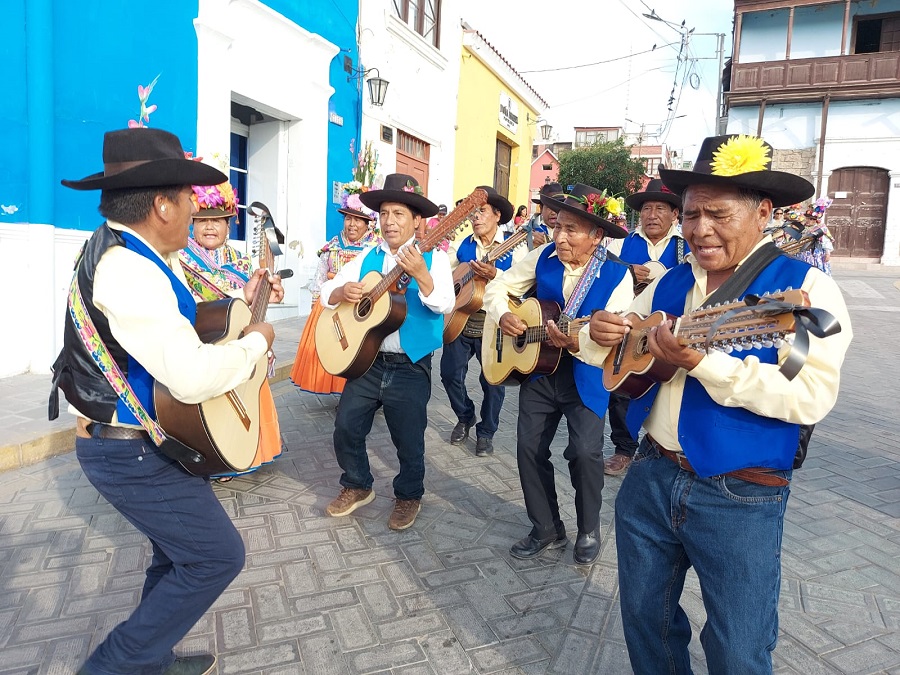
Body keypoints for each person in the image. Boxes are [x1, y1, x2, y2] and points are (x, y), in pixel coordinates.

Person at [582, 134, 853, 673]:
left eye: (717, 214)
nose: (699, 229)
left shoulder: (805, 290)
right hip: (651, 474)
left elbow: (808, 395)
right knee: (646, 623)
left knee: (738, 646)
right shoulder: (669, 282)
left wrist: (702, 362)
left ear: (764, 213)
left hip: (741, 492)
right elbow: (608, 345)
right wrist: (600, 331)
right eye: (691, 214)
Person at [50, 128, 284, 675]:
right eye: (187, 198)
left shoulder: (135, 250)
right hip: (129, 449)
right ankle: (114, 666)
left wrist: (241, 307)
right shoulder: (127, 268)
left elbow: (182, 327)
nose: (193, 209)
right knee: (216, 557)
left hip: (155, 438)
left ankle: (151, 661)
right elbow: (190, 376)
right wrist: (257, 342)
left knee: (176, 553)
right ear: (161, 204)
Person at [482, 183, 634, 565]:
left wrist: (577, 343)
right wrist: (504, 315)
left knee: (584, 452)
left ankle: (588, 528)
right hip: (539, 370)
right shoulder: (541, 256)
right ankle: (546, 527)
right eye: (558, 227)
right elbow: (498, 286)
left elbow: (618, 339)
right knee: (528, 449)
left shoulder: (619, 276)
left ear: (596, 235)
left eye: (571, 230)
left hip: (586, 373)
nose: (560, 237)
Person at [320, 174, 455, 530]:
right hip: (367, 362)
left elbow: (444, 302)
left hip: (410, 364)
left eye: (398, 213)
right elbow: (327, 291)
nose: (389, 221)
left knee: (408, 438)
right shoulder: (367, 255)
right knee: (346, 426)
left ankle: (409, 495)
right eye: (384, 213)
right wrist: (341, 292)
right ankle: (357, 484)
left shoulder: (435, 258)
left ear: (416, 221)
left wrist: (421, 274)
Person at [180, 181, 283, 482]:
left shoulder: (242, 260)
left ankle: (247, 450)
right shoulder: (180, 256)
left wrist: (265, 295)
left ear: (229, 226)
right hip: (200, 341)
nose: (209, 227)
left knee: (245, 392)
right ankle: (214, 454)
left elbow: (249, 305)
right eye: (202, 221)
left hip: (236, 339)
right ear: (192, 223)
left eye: (217, 221)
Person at [601, 178, 688, 477]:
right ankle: (624, 449)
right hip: (632, 328)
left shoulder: (685, 246)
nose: (652, 215)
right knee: (624, 387)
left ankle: (665, 449)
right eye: (647, 208)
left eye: (660, 208)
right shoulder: (621, 243)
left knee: (671, 388)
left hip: (673, 331)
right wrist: (626, 269)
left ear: (675, 214)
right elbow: (599, 265)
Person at [441, 185, 522, 457]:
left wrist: (496, 273)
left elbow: (523, 287)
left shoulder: (515, 244)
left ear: (497, 215)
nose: (475, 217)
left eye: (482, 211)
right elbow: (444, 274)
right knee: (449, 374)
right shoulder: (462, 244)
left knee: (493, 383)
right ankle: (465, 416)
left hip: (495, 322)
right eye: (472, 213)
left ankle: (486, 432)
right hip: (461, 320)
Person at [290, 190, 381, 395]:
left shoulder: (374, 250)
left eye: (359, 220)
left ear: (368, 224)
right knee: (328, 350)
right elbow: (319, 280)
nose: (352, 224)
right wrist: (316, 307)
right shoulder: (330, 248)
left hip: (357, 308)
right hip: (329, 305)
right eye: (349, 218)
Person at [796, 198, 835, 275]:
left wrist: (827, 253)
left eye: (812, 219)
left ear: (816, 220)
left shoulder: (821, 228)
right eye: (808, 218)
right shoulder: (802, 227)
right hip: (802, 252)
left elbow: (826, 241)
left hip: (816, 253)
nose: (809, 220)